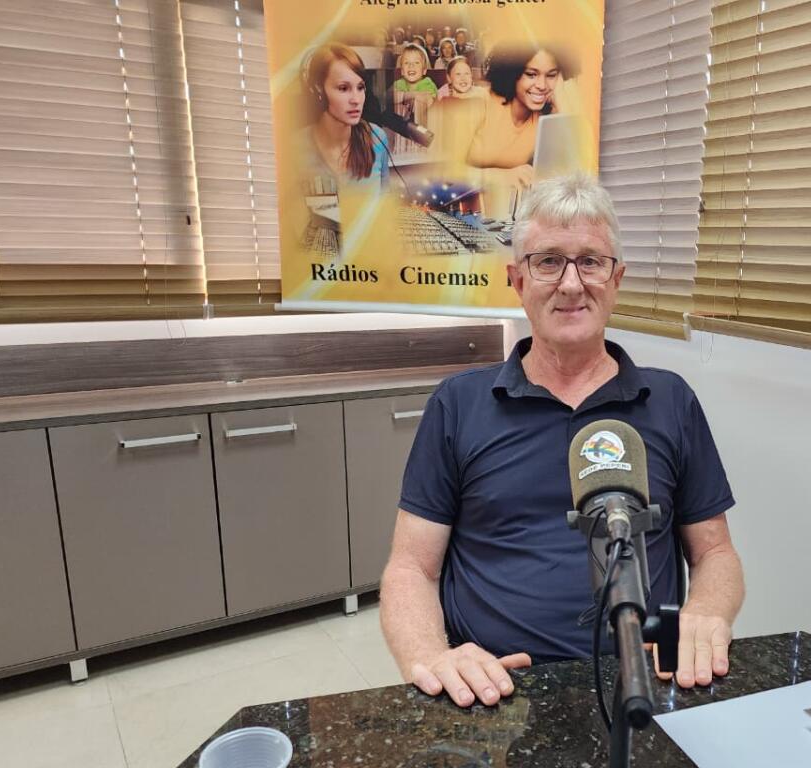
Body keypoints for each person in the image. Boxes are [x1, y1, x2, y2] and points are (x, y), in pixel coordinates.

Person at [380, 173, 744, 709]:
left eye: (590, 261)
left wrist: (706, 613)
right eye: (548, 261)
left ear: (616, 279)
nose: (571, 284)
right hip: (497, 689)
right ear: (517, 280)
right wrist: (433, 655)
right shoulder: (458, 404)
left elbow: (715, 552)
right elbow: (412, 567)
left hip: (646, 679)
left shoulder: (671, 401)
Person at [466, 43, 575, 191]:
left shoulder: (545, 118)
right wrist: (502, 176)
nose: (542, 85)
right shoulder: (480, 102)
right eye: (531, 74)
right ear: (512, 73)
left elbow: (574, 164)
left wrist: (560, 97)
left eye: (551, 75)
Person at [297, 42, 389, 186]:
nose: (356, 100)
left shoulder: (377, 138)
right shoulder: (295, 148)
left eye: (360, 87)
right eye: (343, 88)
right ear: (318, 89)